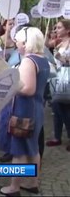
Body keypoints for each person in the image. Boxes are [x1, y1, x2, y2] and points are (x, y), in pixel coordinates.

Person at [0, 27, 50, 196]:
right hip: (36, 109)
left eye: (18, 41)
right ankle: (32, 183)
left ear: (26, 43)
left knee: (19, 150)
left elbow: (28, 89)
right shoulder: (43, 59)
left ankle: (14, 187)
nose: (16, 44)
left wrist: (9, 87)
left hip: (24, 110)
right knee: (33, 149)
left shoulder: (28, 61)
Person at [47, 20, 70, 150]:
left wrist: (63, 59)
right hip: (58, 79)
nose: (57, 30)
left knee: (65, 108)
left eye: (59, 28)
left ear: (67, 30)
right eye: (56, 28)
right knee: (56, 107)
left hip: (67, 80)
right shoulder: (59, 43)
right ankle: (57, 136)